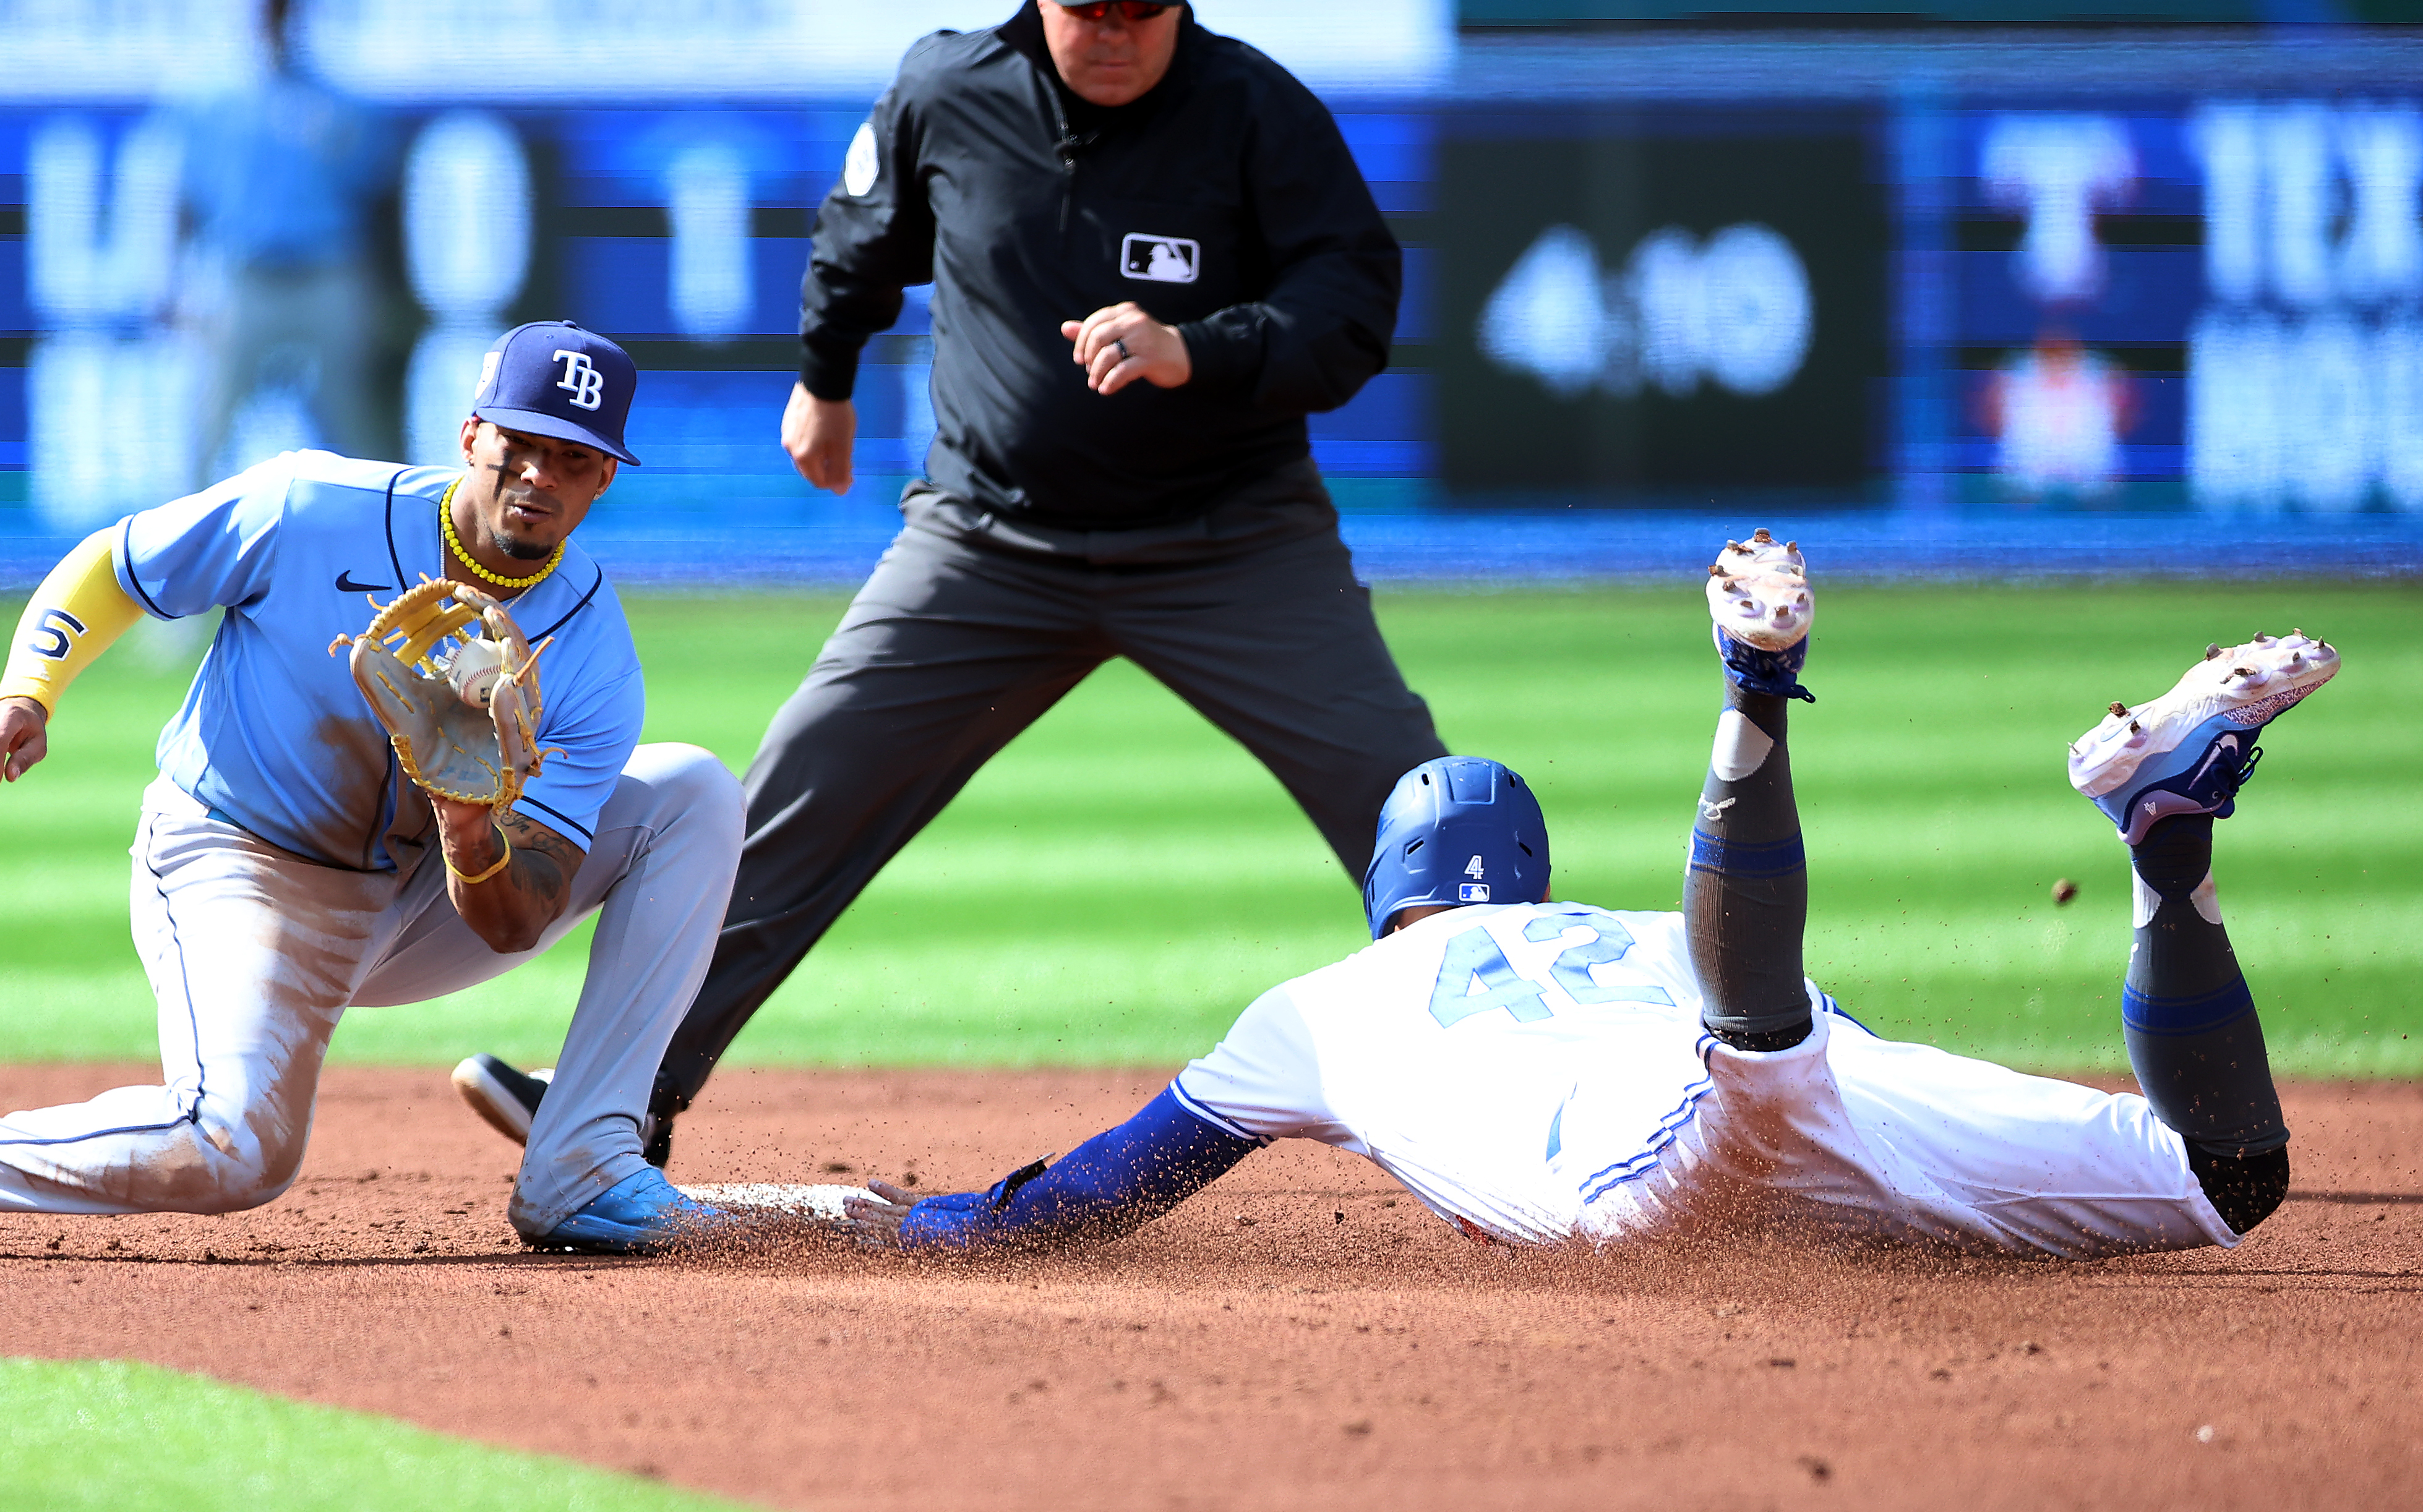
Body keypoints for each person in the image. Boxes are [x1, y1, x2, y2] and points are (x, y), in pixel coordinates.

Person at [450, 0, 1445, 1164]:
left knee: (1421, 806)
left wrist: (1203, 346)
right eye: (1086, 6)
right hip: (988, 543)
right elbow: (861, 237)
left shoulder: (1258, 114)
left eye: (1138, 11)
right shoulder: (951, 88)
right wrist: (825, 381)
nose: (1110, 33)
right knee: (794, 795)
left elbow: (1357, 305)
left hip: (1229, 541)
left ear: (1180, 1)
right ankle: (612, 1094)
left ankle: (1532, 1098)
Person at [837, 534, 2332, 1258]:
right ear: (1526, 877)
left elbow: (1100, 1194)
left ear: (1388, 895)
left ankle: (1754, 694)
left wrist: (929, 1224)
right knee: (2225, 1179)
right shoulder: (1628, 927)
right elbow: (1847, 1055)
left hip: (1650, 1166)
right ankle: (2163, 850)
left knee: (1759, 1057)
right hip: (1833, 1076)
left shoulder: (1317, 1006)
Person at [0, 323, 747, 1260]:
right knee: (235, 1148)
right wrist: (28, 688)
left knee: (689, 790)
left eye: (571, 456)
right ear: (471, 430)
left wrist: (470, 820)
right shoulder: (309, 505)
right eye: (517, 441)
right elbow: (115, 565)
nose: (537, 473)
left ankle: (584, 1165)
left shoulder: (593, 649)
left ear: (604, 474)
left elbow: (516, 916)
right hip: (238, 859)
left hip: (415, 888)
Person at [181, 0, 403, 482]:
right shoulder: (214, 101)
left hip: (328, 273)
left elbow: (379, 201)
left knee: (355, 415)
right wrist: (179, 281)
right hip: (246, 276)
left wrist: (386, 290)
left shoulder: (342, 104)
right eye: (267, 5)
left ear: (299, 13)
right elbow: (187, 200)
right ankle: (182, 544)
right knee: (213, 418)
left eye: (283, 5)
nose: (275, 17)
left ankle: (387, 530)